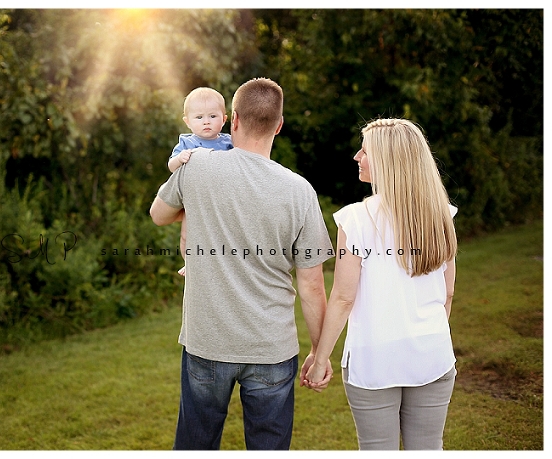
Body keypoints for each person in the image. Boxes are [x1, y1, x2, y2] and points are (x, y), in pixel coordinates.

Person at [150, 77, 334, 450]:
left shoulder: (196, 166)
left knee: (195, 446)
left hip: (207, 342)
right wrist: (319, 351)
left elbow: (158, 214)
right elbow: (312, 283)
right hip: (271, 347)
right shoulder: (299, 189)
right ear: (279, 125)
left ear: (232, 119)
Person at [304, 118, 458, 450]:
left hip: (373, 360)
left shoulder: (355, 220)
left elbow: (344, 298)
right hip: (433, 355)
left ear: (388, 160)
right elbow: (447, 293)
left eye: (365, 150)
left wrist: (320, 358)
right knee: (428, 448)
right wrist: (425, 337)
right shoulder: (442, 215)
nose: (357, 157)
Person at [167, 87, 234, 276]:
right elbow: (171, 166)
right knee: (187, 235)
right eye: (199, 117)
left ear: (224, 119)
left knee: (221, 233)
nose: (206, 121)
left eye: (213, 116)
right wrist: (180, 159)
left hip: (222, 200)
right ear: (187, 122)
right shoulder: (187, 143)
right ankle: (189, 262)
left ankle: (222, 262)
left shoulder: (229, 143)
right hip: (195, 201)